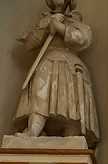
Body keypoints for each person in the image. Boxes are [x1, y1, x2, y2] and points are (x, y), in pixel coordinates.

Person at [14, 0, 100, 146]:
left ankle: (71, 137)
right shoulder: (45, 20)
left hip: (71, 66)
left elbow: (83, 39)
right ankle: (33, 131)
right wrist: (47, 27)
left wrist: (61, 28)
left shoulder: (76, 22)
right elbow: (30, 43)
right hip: (47, 62)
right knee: (39, 97)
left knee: (72, 105)